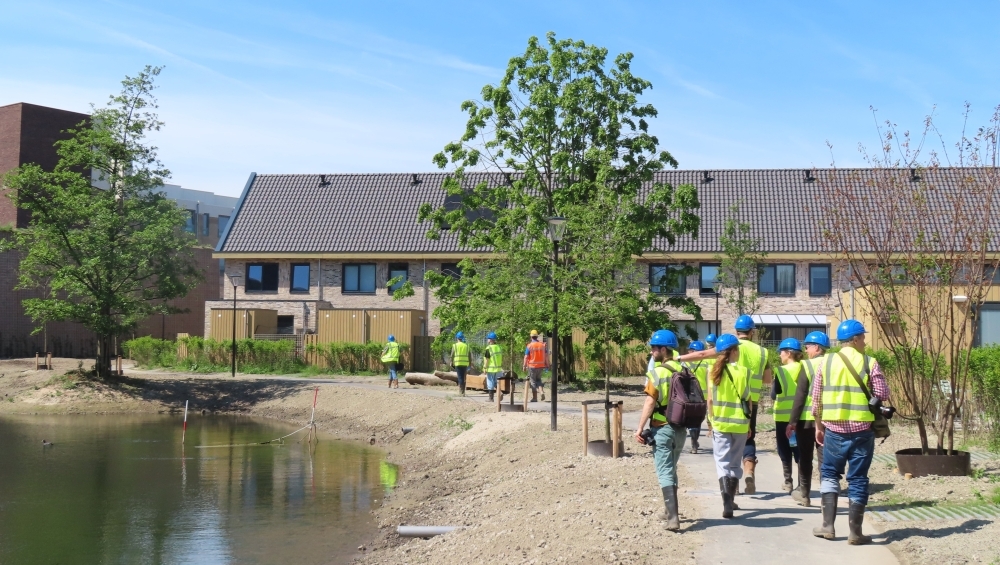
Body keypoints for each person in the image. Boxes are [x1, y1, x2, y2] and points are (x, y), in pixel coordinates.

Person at [811, 320, 889, 545]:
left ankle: (827, 526)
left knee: (829, 475)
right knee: (858, 479)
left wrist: (819, 426)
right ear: (855, 339)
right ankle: (856, 533)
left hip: (834, 431)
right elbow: (882, 392)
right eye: (863, 337)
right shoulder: (869, 362)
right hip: (863, 431)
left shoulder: (825, 362)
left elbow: (816, 401)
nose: (865, 341)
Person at [678, 315, 771, 494]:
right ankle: (749, 471)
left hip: (727, 401)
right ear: (752, 332)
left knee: (727, 443)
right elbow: (767, 380)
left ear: (736, 331)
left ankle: (732, 487)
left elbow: (703, 354)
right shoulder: (762, 352)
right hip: (750, 402)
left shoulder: (730, 346)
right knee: (747, 438)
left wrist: (679, 358)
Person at [634, 329, 686, 531]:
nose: (651, 352)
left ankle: (673, 518)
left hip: (662, 428)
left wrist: (639, 427)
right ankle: (668, 510)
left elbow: (649, 402)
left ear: (663, 349)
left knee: (664, 471)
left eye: (654, 348)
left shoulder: (657, 373)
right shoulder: (684, 369)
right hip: (681, 429)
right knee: (671, 469)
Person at [705, 333, 751, 519]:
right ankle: (731, 500)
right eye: (737, 349)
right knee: (734, 463)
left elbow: (709, 400)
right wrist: (748, 424)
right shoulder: (744, 372)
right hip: (740, 424)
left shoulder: (712, 371)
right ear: (733, 351)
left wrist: (710, 421)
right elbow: (748, 401)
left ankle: (726, 503)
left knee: (722, 462)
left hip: (720, 424)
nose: (739, 352)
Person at [786, 331, 830, 507]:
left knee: (805, 457)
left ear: (817, 347)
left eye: (808, 346)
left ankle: (804, 494)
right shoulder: (832, 364)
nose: (805, 349)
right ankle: (828, 496)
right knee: (824, 458)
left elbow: (800, 395)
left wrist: (792, 422)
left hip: (807, 419)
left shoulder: (807, 366)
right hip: (827, 418)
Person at [772, 338, 804, 494]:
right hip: (800, 417)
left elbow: (774, 394)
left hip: (783, 418)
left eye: (781, 352)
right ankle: (802, 484)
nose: (780, 355)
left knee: (784, 450)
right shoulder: (804, 367)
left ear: (789, 353)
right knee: (799, 450)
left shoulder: (781, 371)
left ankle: (788, 481)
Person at [683, 340, 710, 454]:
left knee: (688, 418)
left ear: (691, 351)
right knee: (698, 419)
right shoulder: (707, 363)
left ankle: (693, 441)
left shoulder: (684, 363)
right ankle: (695, 441)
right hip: (702, 397)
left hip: (688, 395)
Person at [523, 330, 548, 402]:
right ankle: (541, 391)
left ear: (531, 336)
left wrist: (524, 366)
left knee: (533, 382)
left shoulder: (529, 346)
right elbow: (546, 356)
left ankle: (534, 398)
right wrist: (547, 364)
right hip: (541, 366)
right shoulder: (542, 345)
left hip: (532, 366)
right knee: (539, 380)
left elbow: (526, 357)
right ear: (537, 336)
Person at [483, 331, 503, 402]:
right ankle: (499, 392)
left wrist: (485, 368)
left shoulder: (488, 348)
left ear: (491, 339)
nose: (487, 339)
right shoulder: (499, 347)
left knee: (490, 383)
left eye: (488, 338)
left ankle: (491, 398)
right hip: (498, 369)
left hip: (491, 369)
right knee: (495, 382)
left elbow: (487, 359)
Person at [451, 331, 471, 396]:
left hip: (458, 363)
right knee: (463, 377)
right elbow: (469, 356)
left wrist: (451, 362)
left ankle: (461, 392)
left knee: (460, 377)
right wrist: (470, 364)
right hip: (465, 364)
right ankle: (463, 392)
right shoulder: (466, 346)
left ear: (457, 338)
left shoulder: (455, 345)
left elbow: (452, 355)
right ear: (462, 338)